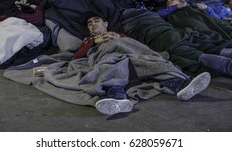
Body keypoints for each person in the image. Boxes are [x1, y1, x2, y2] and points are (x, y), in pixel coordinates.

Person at [121, 2, 232, 93]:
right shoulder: (156, 16)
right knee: (209, 46)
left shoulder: (133, 26)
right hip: (180, 32)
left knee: (193, 56)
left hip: (169, 39)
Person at [74, 12, 211, 115]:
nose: (92, 24)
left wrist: (120, 39)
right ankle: (116, 96)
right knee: (111, 63)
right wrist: (95, 42)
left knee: (144, 60)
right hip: (107, 54)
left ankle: (180, 85)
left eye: (96, 21)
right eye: (89, 24)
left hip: (129, 52)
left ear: (106, 23)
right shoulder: (88, 40)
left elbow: (136, 47)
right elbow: (78, 56)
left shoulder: (119, 34)